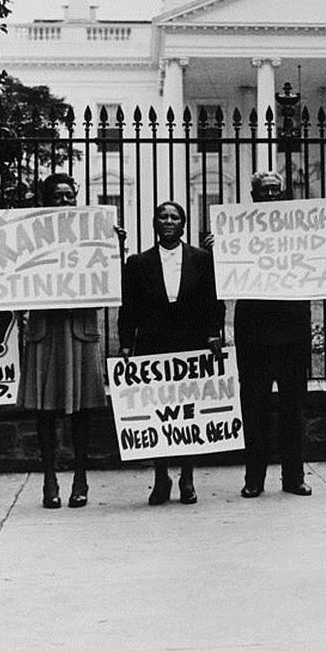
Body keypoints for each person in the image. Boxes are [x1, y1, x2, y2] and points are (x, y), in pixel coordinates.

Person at [207, 170, 326, 499]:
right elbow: (217, 283)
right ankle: (254, 477)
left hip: (292, 332)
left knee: (293, 408)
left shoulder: (297, 230)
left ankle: (293, 476)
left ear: (281, 195)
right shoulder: (240, 230)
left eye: (275, 190)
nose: (270, 196)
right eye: (264, 191)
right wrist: (216, 250)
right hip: (254, 333)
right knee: (254, 407)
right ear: (253, 196)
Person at [17, 173, 125, 509]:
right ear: (44, 201)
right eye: (57, 196)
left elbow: (112, 280)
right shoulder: (27, 238)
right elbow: (12, 281)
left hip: (79, 330)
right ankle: (49, 478)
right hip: (45, 331)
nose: (64, 202)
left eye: (69, 196)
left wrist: (115, 248)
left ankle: (81, 477)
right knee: (44, 412)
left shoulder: (91, 236)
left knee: (81, 410)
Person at [118, 201, 225, 505]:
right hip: (153, 345)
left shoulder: (202, 260)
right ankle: (160, 477)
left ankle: (187, 477)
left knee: (188, 412)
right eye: (163, 217)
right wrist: (126, 343)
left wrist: (214, 332)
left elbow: (214, 302)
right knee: (158, 413)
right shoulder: (138, 263)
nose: (168, 221)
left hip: (190, 345)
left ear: (183, 224)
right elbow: (129, 308)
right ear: (154, 223)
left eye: (174, 217)